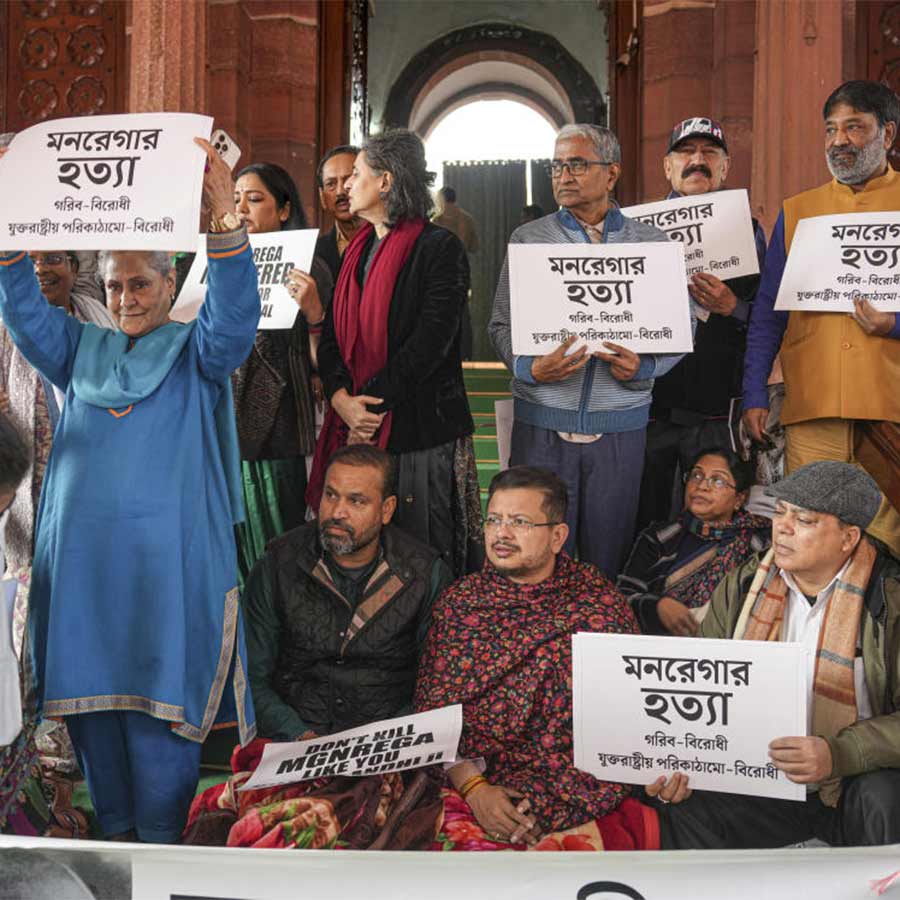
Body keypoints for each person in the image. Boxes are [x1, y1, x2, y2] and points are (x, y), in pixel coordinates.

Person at [0, 139, 258, 843]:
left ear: (170, 284)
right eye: (114, 286)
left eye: (140, 284)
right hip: (83, 576)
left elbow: (235, 320)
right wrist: (8, 230)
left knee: (160, 725)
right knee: (97, 740)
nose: (125, 299)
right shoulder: (78, 350)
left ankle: (162, 863)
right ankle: (115, 861)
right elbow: (24, 314)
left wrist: (223, 221)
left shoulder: (197, 353)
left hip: (167, 574)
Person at [648, 461, 900, 848]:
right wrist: (683, 764)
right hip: (761, 772)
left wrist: (840, 753)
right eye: (780, 512)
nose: (782, 528)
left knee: (883, 798)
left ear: (848, 538)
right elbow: (702, 687)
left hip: (852, 778)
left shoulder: (890, 600)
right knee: (679, 805)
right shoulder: (746, 584)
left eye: (805, 520)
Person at [488, 123, 692, 577]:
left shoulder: (652, 243)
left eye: (577, 164)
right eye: (557, 166)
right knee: (533, 558)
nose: (564, 175)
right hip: (541, 421)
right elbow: (500, 324)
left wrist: (646, 367)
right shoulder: (529, 239)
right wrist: (528, 368)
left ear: (612, 172)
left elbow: (682, 328)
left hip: (620, 425)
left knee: (607, 561)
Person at [415, 467, 653, 851]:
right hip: (475, 778)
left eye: (520, 522)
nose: (501, 534)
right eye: (494, 520)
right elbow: (434, 716)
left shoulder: (598, 603)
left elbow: (630, 711)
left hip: (571, 783)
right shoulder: (462, 604)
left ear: (557, 536)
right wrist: (476, 789)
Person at [311, 129, 482, 577]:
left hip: (419, 432)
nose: (347, 186)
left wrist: (368, 405)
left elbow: (430, 344)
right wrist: (341, 400)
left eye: (357, 175)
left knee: (421, 556)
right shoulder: (357, 250)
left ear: (385, 182)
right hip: (353, 419)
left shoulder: (438, 248)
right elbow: (331, 339)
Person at [743, 80, 900, 558]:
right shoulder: (799, 212)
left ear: (887, 134)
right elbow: (769, 313)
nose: (838, 141)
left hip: (890, 404)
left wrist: (892, 325)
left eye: (854, 128)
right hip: (813, 404)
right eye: (831, 129)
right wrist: (753, 392)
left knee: (890, 539)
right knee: (814, 540)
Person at [243, 444, 449, 740]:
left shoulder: (425, 574)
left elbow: (437, 684)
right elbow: (251, 677)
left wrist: (382, 742)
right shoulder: (278, 564)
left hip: (388, 744)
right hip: (294, 740)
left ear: (386, 509)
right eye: (330, 495)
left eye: (356, 501)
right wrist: (298, 736)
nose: (337, 512)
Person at [637, 118, 767, 531]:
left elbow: (766, 318)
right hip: (650, 407)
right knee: (647, 519)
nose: (698, 161)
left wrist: (733, 306)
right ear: (667, 167)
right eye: (686, 152)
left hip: (717, 411)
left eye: (709, 153)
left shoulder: (748, 230)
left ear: (726, 168)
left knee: (717, 519)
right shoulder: (637, 233)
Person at [231, 162, 334, 581]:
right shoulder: (219, 267)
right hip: (226, 431)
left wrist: (314, 314)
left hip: (283, 434)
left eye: (254, 200)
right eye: (236, 199)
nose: (242, 209)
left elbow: (327, 364)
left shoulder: (311, 270)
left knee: (280, 559)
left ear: (285, 209)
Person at [0, 251, 112, 578]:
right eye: (31, 261)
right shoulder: (4, 330)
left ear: (74, 269)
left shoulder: (102, 324)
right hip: (28, 492)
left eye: (52, 259)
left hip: (90, 486)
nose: (40, 270)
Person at [619, 446, 769, 635]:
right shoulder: (660, 537)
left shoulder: (758, 546)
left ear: (739, 498)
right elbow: (622, 597)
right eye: (696, 476)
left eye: (718, 480)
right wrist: (658, 607)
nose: (702, 486)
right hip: (656, 652)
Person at [433, 186, 479, 360]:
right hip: (462, 270)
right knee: (463, 314)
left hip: (442, 273)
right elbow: (475, 246)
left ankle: (445, 354)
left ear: (442, 199)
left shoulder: (436, 221)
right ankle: (466, 354)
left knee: (441, 312)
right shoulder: (467, 219)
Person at [314, 144, 364, 283]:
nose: (340, 191)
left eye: (349, 179)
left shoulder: (389, 242)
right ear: (322, 197)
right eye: (331, 184)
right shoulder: (313, 254)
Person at [433, 186, 479, 254]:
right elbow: (474, 247)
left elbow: (432, 249)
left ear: (441, 200)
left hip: (441, 262)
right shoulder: (468, 219)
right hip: (461, 262)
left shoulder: (437, 221)